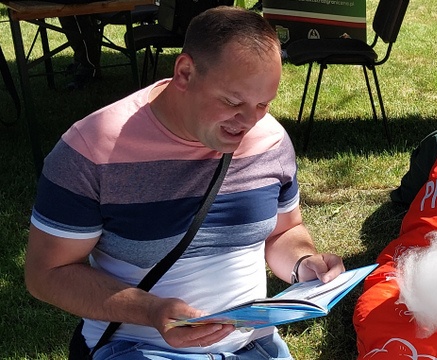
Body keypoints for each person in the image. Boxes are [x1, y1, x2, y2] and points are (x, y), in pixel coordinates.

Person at [24, 6, 345, 359]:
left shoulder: (271, 141)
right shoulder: (93, 149)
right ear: (185, 72)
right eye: (232, 101)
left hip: (254, 347)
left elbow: (283, 231)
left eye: (262, 104)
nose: (248, 121)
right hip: (138, 347)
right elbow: (47, 272)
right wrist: (150, 311)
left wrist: (303, 262)